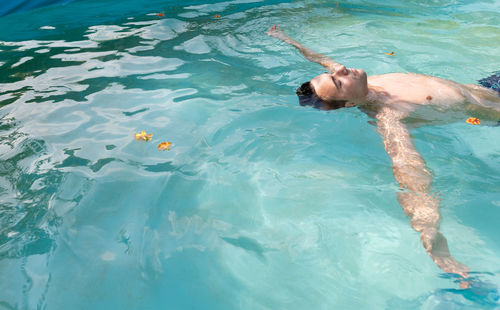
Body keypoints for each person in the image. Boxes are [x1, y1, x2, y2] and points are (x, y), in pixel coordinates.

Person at [266, 25, 500, 282]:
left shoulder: (361, 82)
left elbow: (322, 59)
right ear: (351, 103)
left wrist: (287, 39)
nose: (341, 69)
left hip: (489, 85)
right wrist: (429, 231)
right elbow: (409, 169)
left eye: (332, 73)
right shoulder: (390, 116)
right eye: (337, 80)